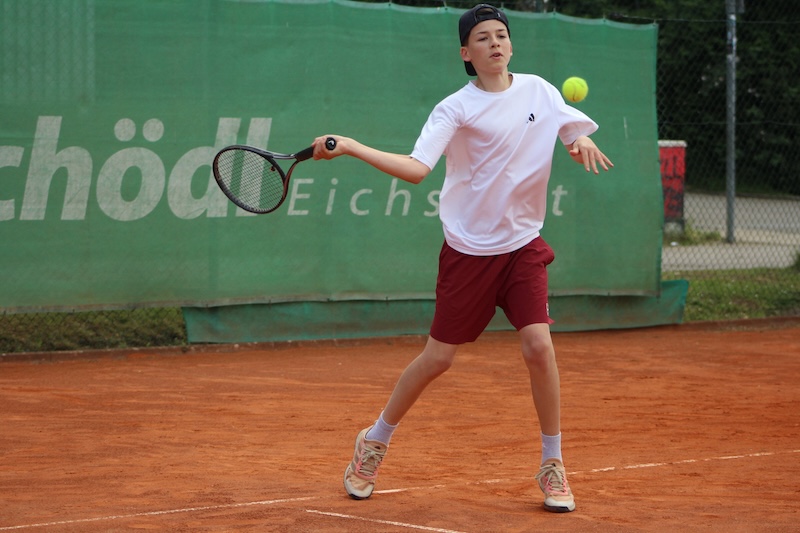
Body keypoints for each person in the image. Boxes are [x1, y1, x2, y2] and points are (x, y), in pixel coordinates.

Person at [311, 3, 612, 514]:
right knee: (438, 359)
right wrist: (353, 147)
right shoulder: (455, 108)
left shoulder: (540, 91)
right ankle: (374, 440)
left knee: (539, 346)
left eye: (501, 35)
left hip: (523, 246)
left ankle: (553, 462)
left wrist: (579, 137)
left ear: (511, 44)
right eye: (483, 38)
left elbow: (568, 129)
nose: (495, 43)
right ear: (466, 54)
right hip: (469, 252)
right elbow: (416, 169)